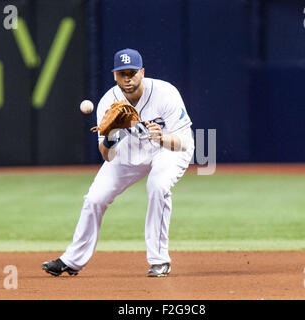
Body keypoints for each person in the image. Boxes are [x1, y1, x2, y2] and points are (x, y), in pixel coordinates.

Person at [42, 48, 194, 277]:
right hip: (130, 152)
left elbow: (183, 143)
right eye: (122, 73)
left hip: (167, 149)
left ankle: (159, 260)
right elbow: (106, 155)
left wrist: (161, 137)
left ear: (142, 72)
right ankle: (72, 261)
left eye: (132, 72)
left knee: (158, 186)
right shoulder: (108, 102)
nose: (127, 78)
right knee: (94, 198)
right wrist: (112, 136)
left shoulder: (165, 93)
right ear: (115, 76)